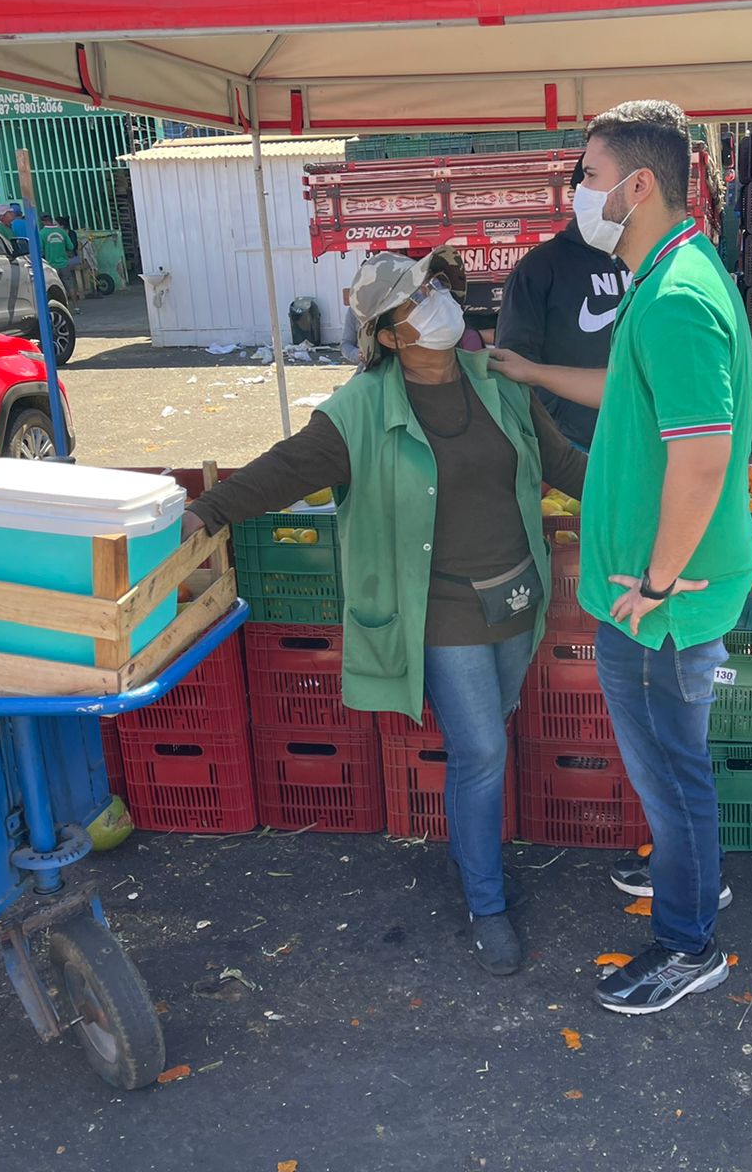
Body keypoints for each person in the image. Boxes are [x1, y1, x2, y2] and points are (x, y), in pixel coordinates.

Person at [182, 248, 586, 977]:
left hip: (516, 594)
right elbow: (285, 469)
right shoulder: (360, 411)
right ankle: (486, 901)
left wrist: (647, 499)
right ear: (390, 336)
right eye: (416, 300)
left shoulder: (496, 380)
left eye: (436, 287)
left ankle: (472, 856)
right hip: (438, 608)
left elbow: (560, 462)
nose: (437, 302)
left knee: (484, 737)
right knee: (481, 751)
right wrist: (207, 512)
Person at [490, 99, 752, 1016]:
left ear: (639, 185)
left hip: (660, 606)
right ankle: (692, 873)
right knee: (676, 769)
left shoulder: (676, 297)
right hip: (660, 594)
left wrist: (656, 582)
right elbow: (627, 387)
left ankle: (687, 945)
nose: (580, 194)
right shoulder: (672, 272)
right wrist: (532, 372)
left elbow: (703, 455)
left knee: (673, 775)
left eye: (590, 177)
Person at [494, 156, 629, 451]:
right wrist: (558, 425)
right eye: (588, 181)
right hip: (575, 447)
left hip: (646, 438)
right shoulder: (540, 267)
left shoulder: (650, 264)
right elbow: (514, 356)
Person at [38, 214, 77, 303]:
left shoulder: (42, 233)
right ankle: (76, 307)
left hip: (51, 265)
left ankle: (62, 306)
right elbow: (71, 246)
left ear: (43, 222)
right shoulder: (61, 232)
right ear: (51, 220)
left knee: (56, 287)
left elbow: (40, 250)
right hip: (64, 263)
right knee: (69, 284)